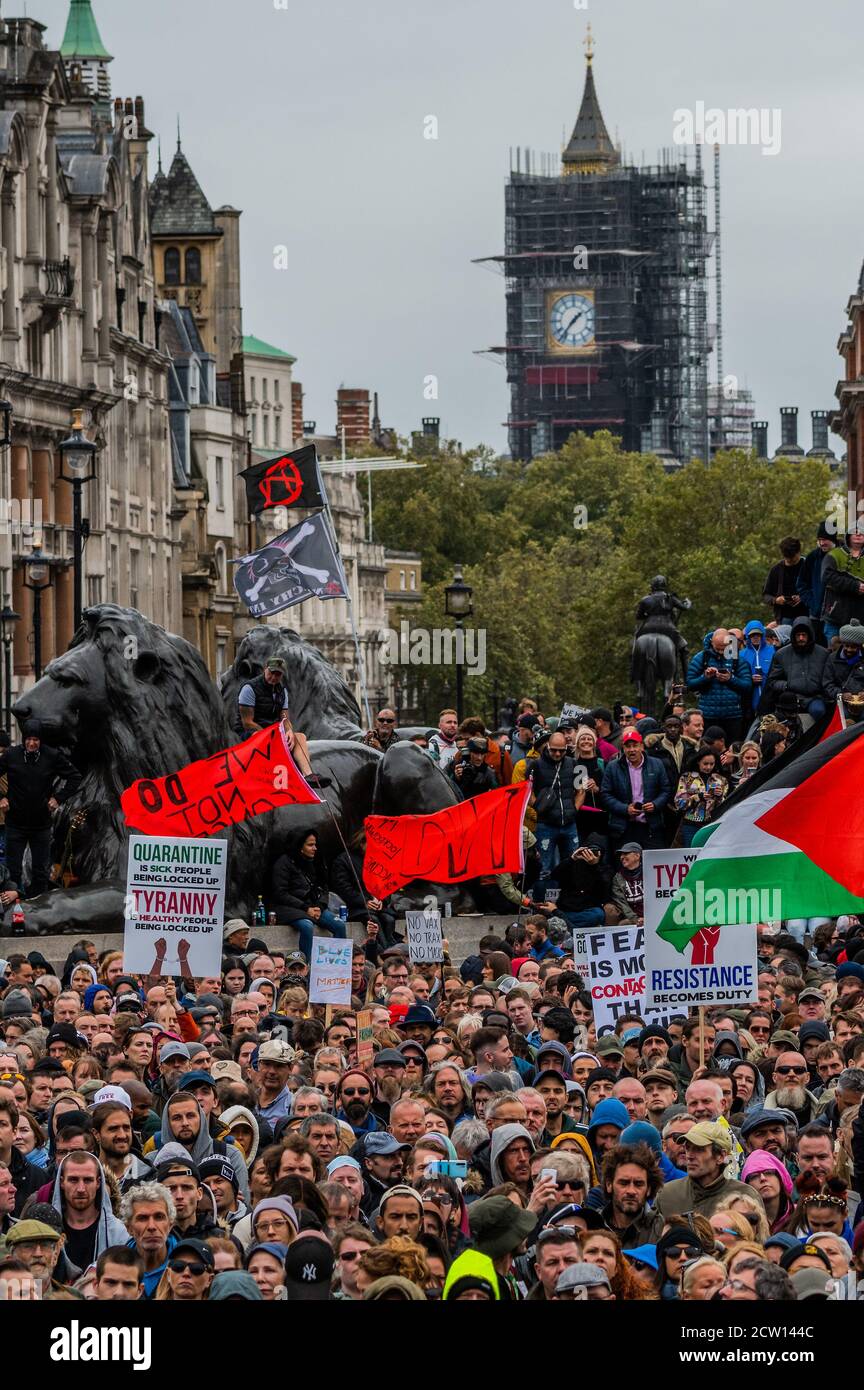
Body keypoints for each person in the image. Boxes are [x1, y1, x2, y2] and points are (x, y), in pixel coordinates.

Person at [0, 719, 82, 898]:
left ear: (41, 740)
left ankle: (38, 911)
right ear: (23, 739)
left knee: (40, 872)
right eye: (28, 739)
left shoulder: (52, 756)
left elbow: (75, 777)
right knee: (12, 871)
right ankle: (11, 912)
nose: (31, 743)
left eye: (35, 739)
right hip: (15, 824)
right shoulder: (12, 755)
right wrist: (1, 798)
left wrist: (58, 798)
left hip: (41, 825)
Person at [236, 657, 327, 786]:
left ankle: (308, 775)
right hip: (250, 732)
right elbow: (247, 722)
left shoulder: (282, 691)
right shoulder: (249, 689)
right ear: (265, 669)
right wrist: (270, 734)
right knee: (258, 738)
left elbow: (284, 718)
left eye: (278, 674)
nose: (273, 677)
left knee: (300, 737)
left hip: (273, 731)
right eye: (271, 672)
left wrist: (289, 730)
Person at [654, 1121, 763, 1221]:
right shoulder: (667, 1194)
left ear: (721, 1156)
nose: (689, 1156)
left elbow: (757, 1240)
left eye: (699, 1149)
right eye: (688, 1148)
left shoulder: (746, 1196)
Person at [270, 830, 348, 960]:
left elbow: (324, 888)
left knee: (339, 925)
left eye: (315, 844)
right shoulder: (283, 863)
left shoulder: (316, 861)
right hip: (290, 907)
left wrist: (320, 907)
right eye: (310, 845)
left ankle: (336, 966)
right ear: (300, 846)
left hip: (313, 906)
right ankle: (306, 967)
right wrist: (306, 908)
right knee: (307, 926)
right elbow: (280, 893)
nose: (315, 848)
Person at [527, 731, 586, 893]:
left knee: (574, 865)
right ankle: (538, 907)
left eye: (562, 750)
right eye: (554, 750)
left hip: (569, 823)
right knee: (543, 868)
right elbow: (527, 791)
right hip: (546, 824)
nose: (558, 753)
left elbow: (581, 790)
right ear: (547, 747)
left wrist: (574, 810)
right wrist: (539, 808)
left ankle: (570, 904)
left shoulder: (575, 764)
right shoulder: (534, 765)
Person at [600, 729, 670, 851]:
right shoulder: (613, 767)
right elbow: (605, 794)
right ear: (623, 748)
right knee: (626, 865)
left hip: (651, 825)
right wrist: (625, 808)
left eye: (635, 745)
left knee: (653, 865)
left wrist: (655, 804)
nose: (632, 750)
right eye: (628, 746)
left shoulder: (657, 764)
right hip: (624, 827)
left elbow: (666, 790)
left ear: (642, 746)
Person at [686, 629, 752, 745]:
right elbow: (690, 684)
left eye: (724, 648)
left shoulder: (738, 659)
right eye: (718, 648)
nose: (721, 652)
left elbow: (747, 686)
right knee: (708, 749)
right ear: (712, 642)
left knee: (732, 750)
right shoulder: (701, 658)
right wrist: (705, 677)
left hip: (733, 715)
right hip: (708, 715)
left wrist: (730, 679)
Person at [763, 616, 828, 720]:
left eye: (804, 635)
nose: (801, 638)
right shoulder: (781, 654)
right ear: (793, 635)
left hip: (815, 697)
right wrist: (787, 685)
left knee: (819, 711)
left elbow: (828, 678)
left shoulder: (823, 653)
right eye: (798, 635)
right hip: (791, 697)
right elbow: (772, 681)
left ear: (810, 635)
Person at [673, 748, 728, 847]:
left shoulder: (721, 780)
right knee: (690, 855)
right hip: (690, 824)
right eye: (705, 764)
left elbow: (725, 807)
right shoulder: (686, 778)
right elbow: (679, 803)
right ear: (698, 761)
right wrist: (698, 797)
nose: (708, 767)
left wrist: (719, 797)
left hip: (711, 825)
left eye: (712, 764)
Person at [822, 525, 864, 640]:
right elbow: (827, 577)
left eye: (862, 532)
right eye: (855, 531)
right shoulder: (834, 555)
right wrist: (855, 586)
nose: (859, 534)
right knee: (834, 655)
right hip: (836, 618)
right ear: (848, 535)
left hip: (861, 621)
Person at [797, 522, 836, 645]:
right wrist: (812, 604)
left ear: (832, 539)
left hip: (837, 616)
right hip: (816, 615)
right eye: (819, 540)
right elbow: (801, 584)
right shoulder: (812, 557)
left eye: (825, 539)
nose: (822, 543)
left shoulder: (844, 555)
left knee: (834, 649)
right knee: (817, 649)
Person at [763, 536, 807, 623]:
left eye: (792, 557)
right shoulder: (776, 570)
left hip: (806, 614)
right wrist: (775, 600)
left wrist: (803, 597)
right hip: (784, 617)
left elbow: (818, 590)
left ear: (798, 552)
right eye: (787, 557)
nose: (790, 560)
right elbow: (766, 595)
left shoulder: (809, 566)